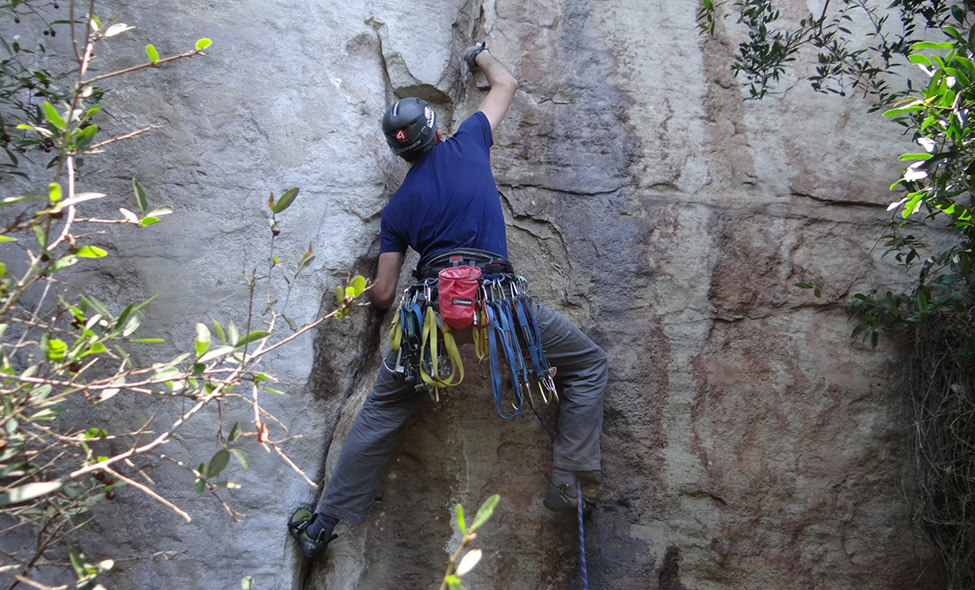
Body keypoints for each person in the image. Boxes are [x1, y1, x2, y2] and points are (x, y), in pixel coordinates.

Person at [288, 42, 608, 561]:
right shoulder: (469, 143)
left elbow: (385, 294)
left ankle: (322, 524)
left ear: (400, 153)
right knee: (589, 364)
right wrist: (478, 55)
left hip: (431, 316)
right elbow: (505, 84)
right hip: (498, 306)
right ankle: (571, 487)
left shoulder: (397, 210)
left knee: (384, 410)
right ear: (435, 130)